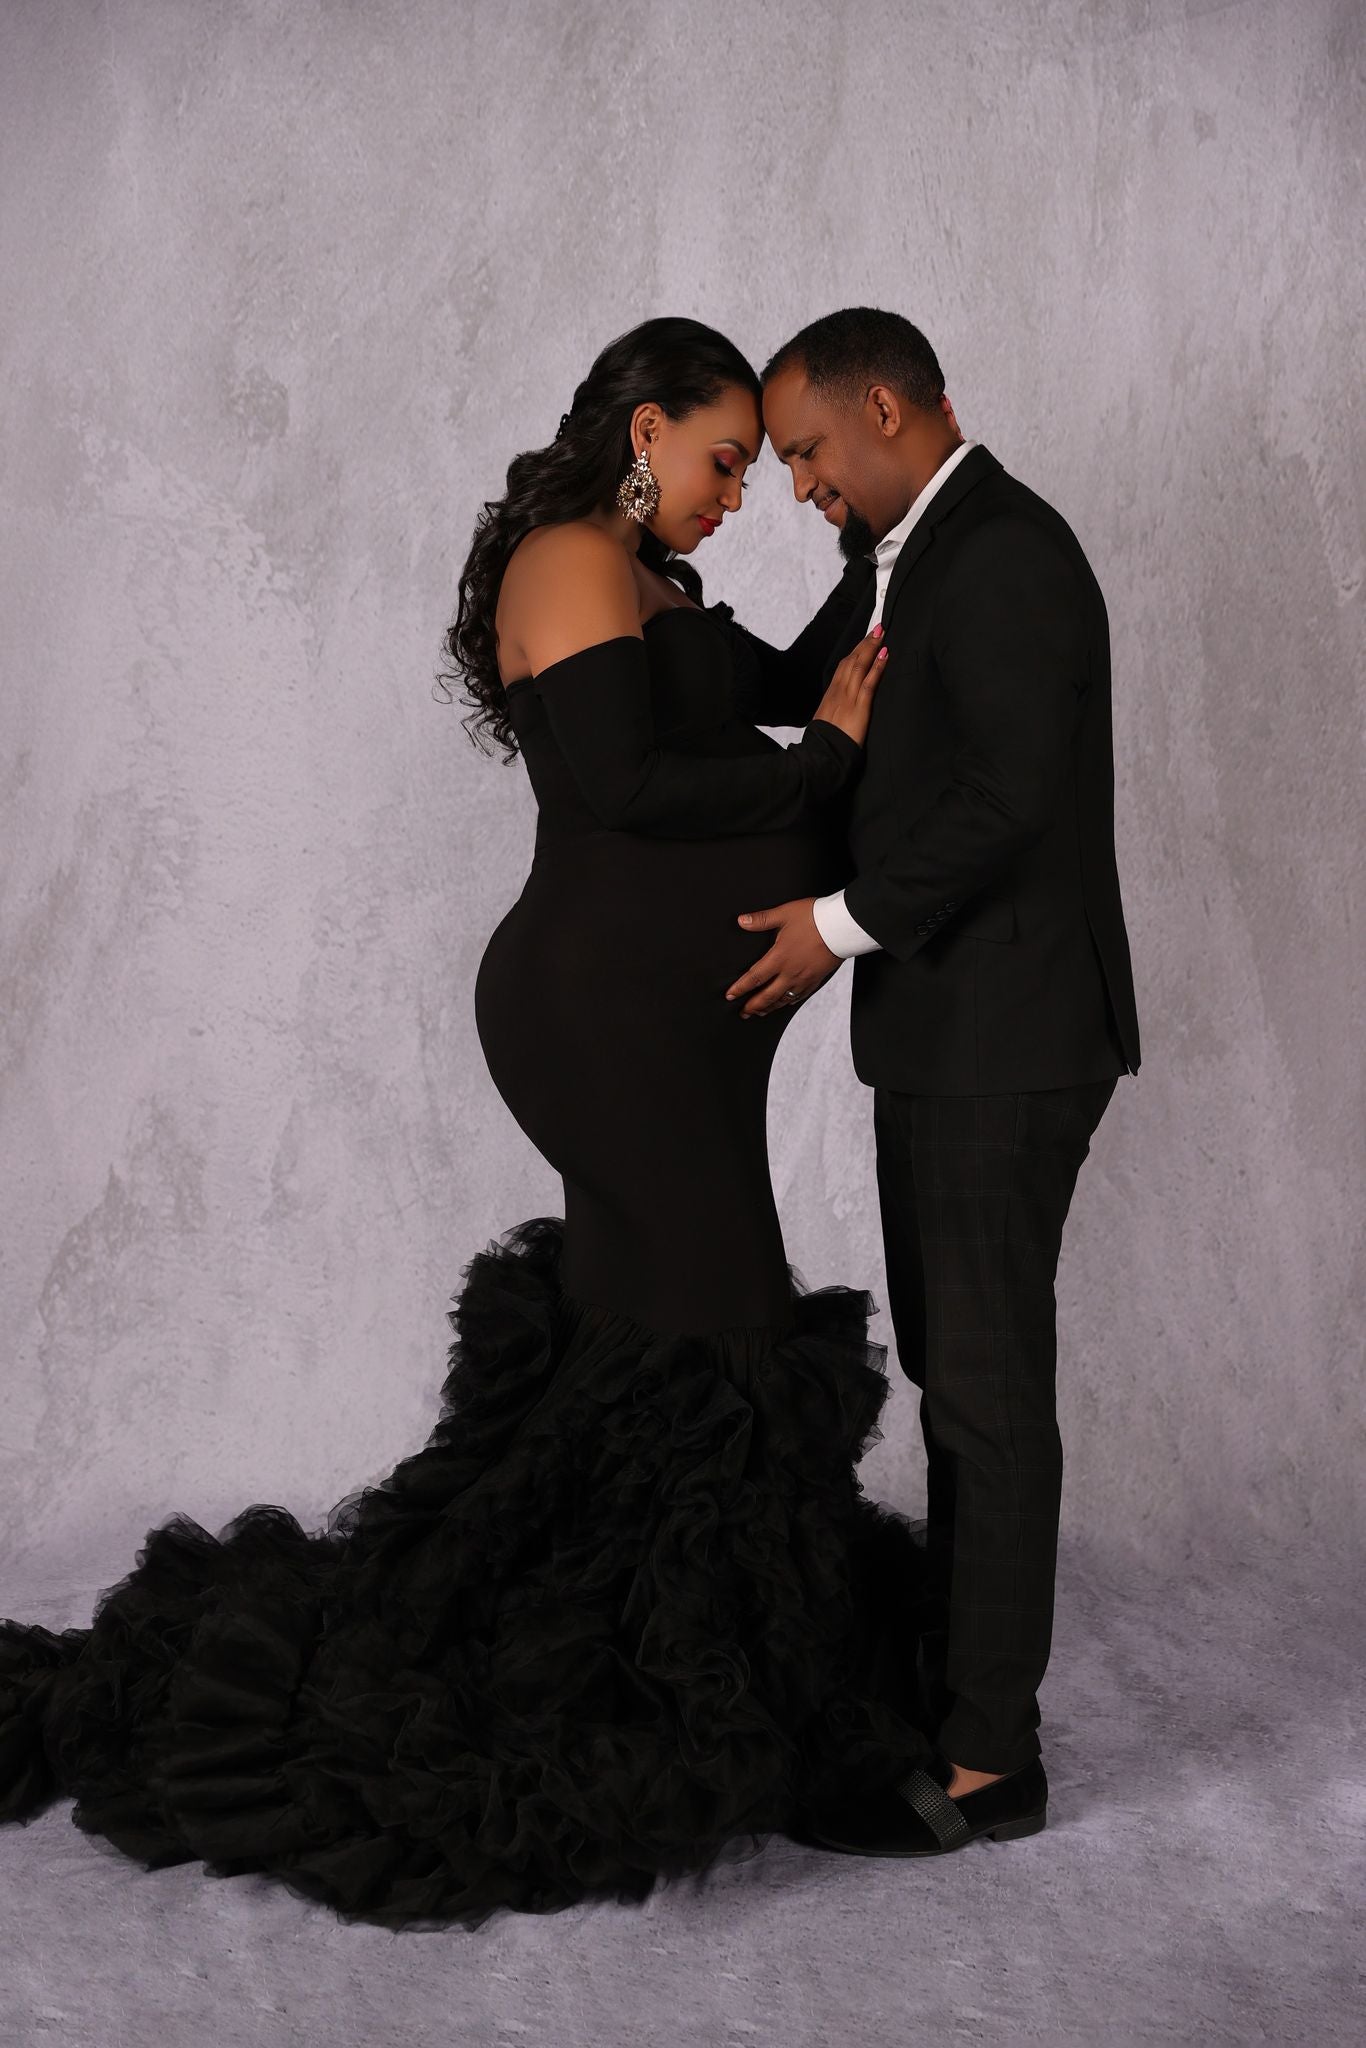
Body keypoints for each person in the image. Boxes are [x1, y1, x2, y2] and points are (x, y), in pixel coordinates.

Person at [0, 317, 999, 1934]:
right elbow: (626, 789)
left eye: (764, 466)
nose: (741, 490)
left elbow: (803, 672)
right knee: (726, 1320)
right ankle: (733, 1709)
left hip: (674, 1026)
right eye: (724, 458)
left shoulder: (658, 582)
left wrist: (886, 535)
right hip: (603, 1019)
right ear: (643, 429)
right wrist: (822, 764)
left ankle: (606, 1638)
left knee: (663, 1327)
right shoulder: (565, 561)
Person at [721, 307, 1142, 1858]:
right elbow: (799, 680)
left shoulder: (1007, 553)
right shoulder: (899, 554)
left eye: (806, 453)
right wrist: (644, 597)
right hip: (946, 1033)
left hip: (1009, 1041)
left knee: (985, 1393)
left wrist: (836, 926)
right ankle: (962, 1705)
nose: (798, 488)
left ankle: (987, 1767)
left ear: (887, 409)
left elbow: (1010, 798)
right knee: (958, 1386)